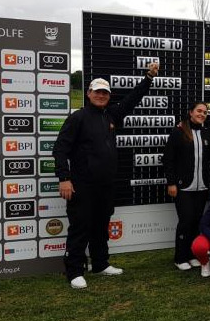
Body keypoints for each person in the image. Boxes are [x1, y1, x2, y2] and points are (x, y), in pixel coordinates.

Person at [53, 62, 159, 289]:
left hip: (105, 185)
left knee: (101, 226)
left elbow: (131, 100)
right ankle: (74, 270)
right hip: (81, 184)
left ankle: (100, 263)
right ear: (89, 93)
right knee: (80, 227)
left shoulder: (111, 115)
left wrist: (148, 79)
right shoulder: (78, 117)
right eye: (97, 92)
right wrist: (64, 178)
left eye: (105, 93)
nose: (101, 96)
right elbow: (60, 149)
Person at [163, 101, 210, 271]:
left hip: (202, 187)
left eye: (205, 112)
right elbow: (168, 159)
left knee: (197, 221)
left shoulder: (206, 132)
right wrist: (171, 182)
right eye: (199, 111)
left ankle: (192, 254)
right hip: (183, 187)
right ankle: (180, 257)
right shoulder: (179, 131)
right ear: (191, 112)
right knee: (186, 221)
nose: (202, 114)